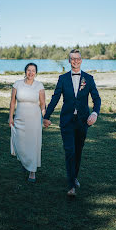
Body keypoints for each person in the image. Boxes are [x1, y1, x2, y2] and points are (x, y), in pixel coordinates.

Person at [43, 49, 101, 196]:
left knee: (78, 151)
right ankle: (71, 186)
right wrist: (46, 116)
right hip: (67, 121)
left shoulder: (89, 78)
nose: (75, 61)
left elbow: (97, 98)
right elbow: (55, 98)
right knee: (70, 151)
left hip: (83, 122)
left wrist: (94, 113)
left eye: (78, 59)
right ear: (69, 61)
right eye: (72, 59)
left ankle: (74, 177)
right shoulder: (62, 79)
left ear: (81, 61)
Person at [9, 63, 46, 182]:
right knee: (19, 141)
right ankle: (25, 162)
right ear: (25, 71)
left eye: (33, 70)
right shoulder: (17, 84)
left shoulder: (39, 85)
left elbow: (42, 104)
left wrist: (45, 117)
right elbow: (13, 102)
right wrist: (10, 117)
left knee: (33, 144)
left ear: (36, 72)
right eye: (29, 70)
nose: (31, 73)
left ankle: (32, 171)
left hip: (34, 120)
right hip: (19, 118)